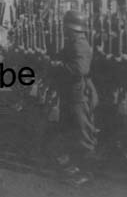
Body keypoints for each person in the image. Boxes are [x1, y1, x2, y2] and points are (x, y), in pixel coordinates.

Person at [49, 10, 98, 184]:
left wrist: (59, 65)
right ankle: (76, 165)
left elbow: (80, 69)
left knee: (83, 133)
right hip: (71, 94)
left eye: (65, 27)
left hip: (79, 95)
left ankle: (87, 172)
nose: (63, 29)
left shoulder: (80, 44)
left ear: (73, 28)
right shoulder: (72, 43)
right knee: (71, 130)